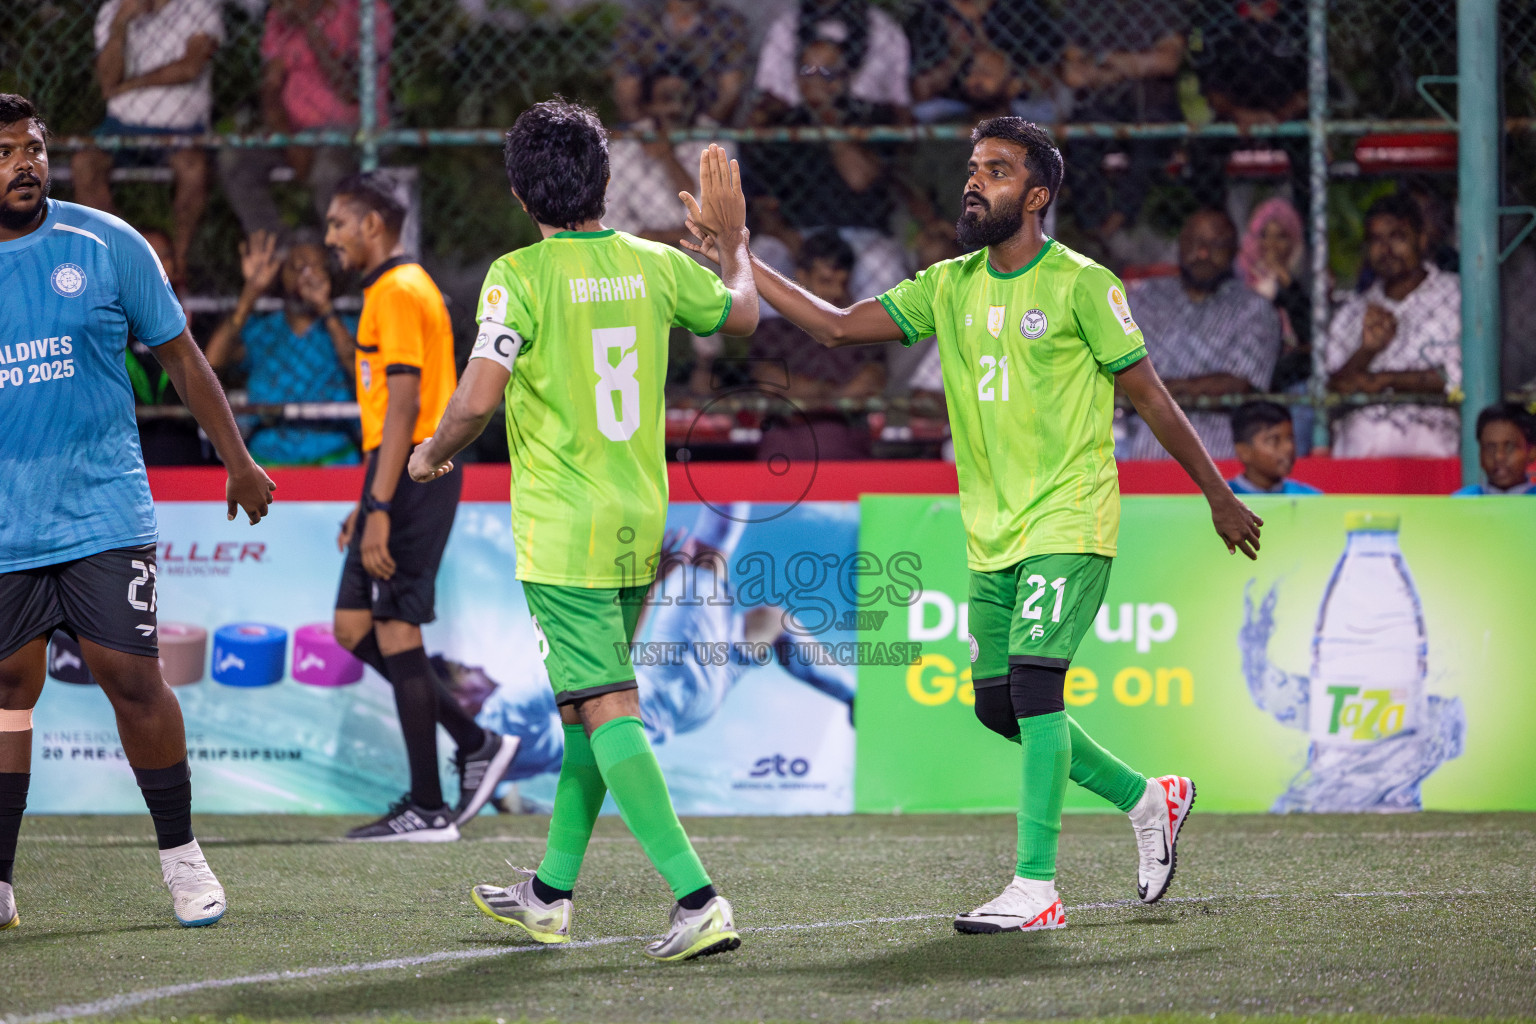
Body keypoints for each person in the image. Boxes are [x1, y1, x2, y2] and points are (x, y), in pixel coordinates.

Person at [683, 116, 1262, 932]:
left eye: (995, 169)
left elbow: (1151, 398)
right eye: (972, 166)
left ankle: (1037, 888)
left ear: (1035, 196)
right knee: (998, 706)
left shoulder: (1083, 285)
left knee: (1034, 687)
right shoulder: (948, 283)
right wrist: (740, 257)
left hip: (1070, 515)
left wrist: (1219, 493)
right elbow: (837, 325)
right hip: (992, 531)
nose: (973, 180)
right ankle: (1148, 799)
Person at [404, 103, 759, 960]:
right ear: (603, 181)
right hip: (641, 519)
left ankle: (697, 896)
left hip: (564, 529)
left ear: (523, 193)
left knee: (605, 704)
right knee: (588, 713)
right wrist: (735, 244)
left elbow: (479, 396)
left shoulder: (516, 275)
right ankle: (550, 894)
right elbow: (742, 317)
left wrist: (429, 454)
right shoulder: (651, 264)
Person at [0, 93, 275, 930]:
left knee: (133, 680)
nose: (25, 163)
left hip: (103, 510)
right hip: (7, 525)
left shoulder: (108, 243)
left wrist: (239, 459)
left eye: (35, 147)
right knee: (9, 690)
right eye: (6, 150)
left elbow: (184, 360)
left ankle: (183, 860)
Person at [323, 173, 516, 842]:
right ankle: (474, 740)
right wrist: (366, 500)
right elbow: (386, 416)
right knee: (353, 626)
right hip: (394, 473)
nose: (331, 238)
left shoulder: (400, 290)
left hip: (414, 475)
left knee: (398, 630)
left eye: (338, 224)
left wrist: (379, 504)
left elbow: (405, 407)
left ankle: (430, 807)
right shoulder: (389, 290)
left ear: (372, 224)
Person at [742, 38, 908, 302]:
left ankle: (869, 343)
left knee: (885, 268)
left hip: (860, 233)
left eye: (828, 72)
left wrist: (828, 119)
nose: (818, 81)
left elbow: (859, 178)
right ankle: (775, 343)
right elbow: (763, 204)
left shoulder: (873, 117)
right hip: (800, 234)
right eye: (809, 71)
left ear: (846, 77)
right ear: (796, 78)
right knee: (761, 259)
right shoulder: (780, 124)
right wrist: (791, 241)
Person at [71, 0, 224, 275]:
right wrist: (121, 25)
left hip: (180, 126)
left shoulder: (199, 6)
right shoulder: (114, 9)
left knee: (194, 168)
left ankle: (176, 262)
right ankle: (120, 259)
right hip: (121, 125)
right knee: (85, 164)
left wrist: (131, 84)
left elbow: (190, 68)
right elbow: (107, 82)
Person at [220, 0, 393, 239]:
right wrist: (288, 138)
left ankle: (341, 259)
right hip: (294, 130)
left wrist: (309, 26)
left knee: (328, 169)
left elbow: (348, 88)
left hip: (353, 131)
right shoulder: (281, 18)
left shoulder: (366, 10)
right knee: (233, 160)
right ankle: (279, 252)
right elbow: (271, 86)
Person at [1118, 209, 1282, 460]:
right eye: (1195, 242)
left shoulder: (1254, 309)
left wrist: (1151, 390)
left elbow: (1238, 384)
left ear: (1234, 252)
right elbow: (1115, 377)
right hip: (1141, 453)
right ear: (1180, 245)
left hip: (1217, 455)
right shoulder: (1143, 299)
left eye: (1216, 245)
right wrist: (1188, 389)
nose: (1203, 253)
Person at [205, 229, 359, 466]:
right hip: (267, 463)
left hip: (335, 460)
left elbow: (361, 369)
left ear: (329, 275)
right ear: (280, 275)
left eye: (315, 268)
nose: (305, 276)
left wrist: (326, 309)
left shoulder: (345, 327)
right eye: (296, 268)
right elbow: (212, 360)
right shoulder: (261, 330)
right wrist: (251, 291)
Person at [1325, 193, 1461, 457]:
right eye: (1376, 240)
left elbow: (1459, 379)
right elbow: (1329, 393)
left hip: (1433, 455)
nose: (1386, 250)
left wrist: (1384, 380)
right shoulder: (1352, 311)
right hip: (1359, 458)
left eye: (1398, 237)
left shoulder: (1456, 296)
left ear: (1421, 240)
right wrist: (1367, 351)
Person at [1059, 0, 1186, 246]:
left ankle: (1118, 221)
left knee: (1151, 139)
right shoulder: (1083, 8)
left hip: (1152, 105)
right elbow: (1074, 74)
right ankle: (1092, 230)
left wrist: (1104, 61)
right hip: (1101, 104)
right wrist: (1136, 65)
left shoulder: (1161, 7)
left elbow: (1168, 62)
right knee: (1081, 140)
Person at [752, 230, 884, 461]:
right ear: (801, 276)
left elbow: (871, 381)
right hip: (786, 442)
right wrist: (835, 397)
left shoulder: (865, 329)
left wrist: (809, 396)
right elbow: (771, 382)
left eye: (843, 282)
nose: (836, 292)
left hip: (846, 444)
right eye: (826, 281)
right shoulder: (773, 331)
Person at [1189, 0, 1310, 212]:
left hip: (1286, 116)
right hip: (1233, 116)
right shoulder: (1215, 13)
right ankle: (1216, 224)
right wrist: (1239, 114)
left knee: (1309, 150)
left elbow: (1311, 87)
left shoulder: (1300, 12)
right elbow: (1211, 89)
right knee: (1203, 151)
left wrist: (1279, 117)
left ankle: (1308, 228)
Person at [603, 58, 736, 246]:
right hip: (638, 245)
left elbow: (710, 221)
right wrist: (643, 238)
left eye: (685, 99)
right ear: (649, 105)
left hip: (697, 249)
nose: (677, 108)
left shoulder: (716, 140)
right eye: (667, 99)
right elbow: (611, 212)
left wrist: (667, 156)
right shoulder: (629, 142)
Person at [752, 0, 912, 120]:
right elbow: (768, 94)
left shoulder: (884, 30)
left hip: (863, 126)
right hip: (796, 125)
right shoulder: (786, 27)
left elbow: (900, 103)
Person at [611, 0, 750, 125]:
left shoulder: (725, 23)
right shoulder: (640, 22)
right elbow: (626, 88)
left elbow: (731, 88)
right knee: (621, 151)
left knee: (720, 150)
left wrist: (704, 126)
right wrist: (644, 129)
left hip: (704, 125)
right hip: (647, 126)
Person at [1228, 401, 1322, 496]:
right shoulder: (1220, 500)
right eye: (1274, 441)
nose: (1289, 447)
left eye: (1290, 438)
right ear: (1244, 451)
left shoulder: (1310, 499)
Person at [1451, 404, 1536, 496]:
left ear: (1531, 452)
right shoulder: (1461, 502)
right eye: (1490, 447)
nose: (1499, 456)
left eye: (1509, 447)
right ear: (1480, 454)